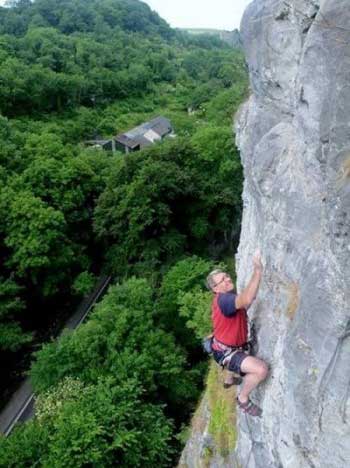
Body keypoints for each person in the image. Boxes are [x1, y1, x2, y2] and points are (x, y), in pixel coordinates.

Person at [206, 252, 268, 417]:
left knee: (234, 359)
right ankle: (242, 398)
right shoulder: (224, 300)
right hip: (228, 351)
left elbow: (240, 307)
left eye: (226, 276)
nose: (227, 279)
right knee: (261, 370)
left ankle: (229, 380)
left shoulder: (225, 298)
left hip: (223, 346)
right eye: (222, 280)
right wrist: (258, 270)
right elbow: (247, 299)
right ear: (215, 288)